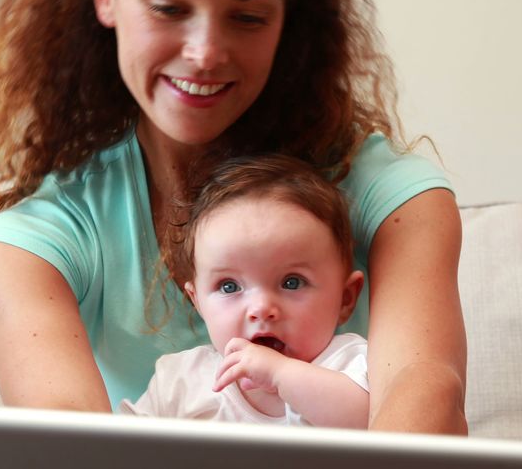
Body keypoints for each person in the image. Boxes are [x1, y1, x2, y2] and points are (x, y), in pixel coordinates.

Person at [0, 0, 467, 434]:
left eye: (248, 16)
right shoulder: (33, 245)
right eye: (168, 8)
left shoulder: (398, 202)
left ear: (287, 17)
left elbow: (425, 392)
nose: (205, 53)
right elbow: (68, 442)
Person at [117, 155, 369, 428]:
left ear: (345, 298)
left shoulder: (351, 366)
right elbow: (120, 445)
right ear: (197, 301)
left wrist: (281, 373)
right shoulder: (180, 380)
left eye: (292, 282)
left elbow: (377, 426)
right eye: (229, 286)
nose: (260, 307)